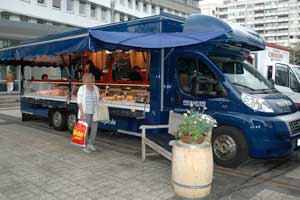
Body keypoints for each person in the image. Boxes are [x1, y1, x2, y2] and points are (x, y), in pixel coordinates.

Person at [77, 73, 100, 153]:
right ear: (84, 80)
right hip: (85, 112)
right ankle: (84, 145)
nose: (89, 80)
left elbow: (98, 99)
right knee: (85, 129)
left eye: (90, 78)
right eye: (87, 79)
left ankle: (91, 144)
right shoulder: (82, 88)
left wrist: (104, 95)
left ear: (93, 80)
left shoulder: (96, 88)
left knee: (94, 129)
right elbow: (79, 102)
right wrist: (82, 113)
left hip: (95, 112)